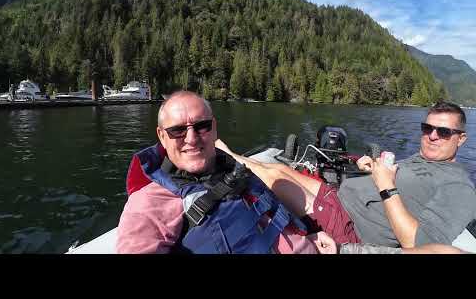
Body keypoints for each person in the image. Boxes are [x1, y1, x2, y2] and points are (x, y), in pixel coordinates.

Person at [214, 101, 476, 250]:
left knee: (270, 178)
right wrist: (374, 169)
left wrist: (386, 186)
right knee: (281, 168)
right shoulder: (421, 160)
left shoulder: (459, 187)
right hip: (338, 197)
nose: (432, 136)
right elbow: (404, 186)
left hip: (350, 226)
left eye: (443, 132)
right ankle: (231, 154)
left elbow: (418, 245)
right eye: (427, 127)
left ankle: (223, 155)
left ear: (461, 139)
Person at [117, 90, 327, 254]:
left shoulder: (231, 170)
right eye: (178, 130)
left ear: (214, 128)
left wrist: (310, 237)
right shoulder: (148, 205)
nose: (191, 138)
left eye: (202, 126)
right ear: (162, 136)